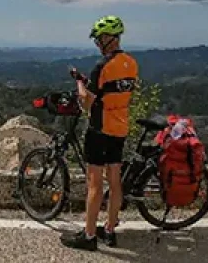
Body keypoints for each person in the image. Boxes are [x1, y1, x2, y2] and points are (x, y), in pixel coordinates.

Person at [61, 15, 139, 251]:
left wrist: (79, 83)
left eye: (98, 39)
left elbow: (86, 102)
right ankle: (110, 229)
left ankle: (89, 235)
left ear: (109, 38)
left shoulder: (102, 66)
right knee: (114, 181)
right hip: (120, 126)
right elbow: (111, 90)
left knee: (94, 183)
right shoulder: (131, 63)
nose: (97, 43)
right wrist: (90, 83)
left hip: (99, 128)